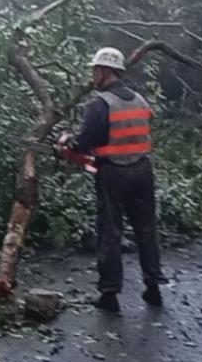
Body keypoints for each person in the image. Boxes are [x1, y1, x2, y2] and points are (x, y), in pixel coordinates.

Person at [56, 47, 166, 312]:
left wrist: (67, 142)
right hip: (142, 169)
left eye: (95, 70)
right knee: (146, 230)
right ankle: (153, 287)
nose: (93, 75)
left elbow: (86, 142)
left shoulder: (99, 104)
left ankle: (109, 294)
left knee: (110, 231)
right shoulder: (140, 100)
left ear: (105, 71)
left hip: (113, 173)